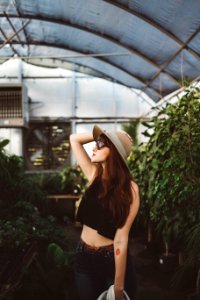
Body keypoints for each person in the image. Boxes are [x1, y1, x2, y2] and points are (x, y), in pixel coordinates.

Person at [70, 124, 140, 300]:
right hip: (83, 256)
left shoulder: (130, 189)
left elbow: (121, 239)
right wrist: (107, 135)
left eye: (101, 144)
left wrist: (118, 286)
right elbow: (74, 139)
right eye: (97, 142)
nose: (94, 146)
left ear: (114, 151)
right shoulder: (94, 176)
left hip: (111, 260)